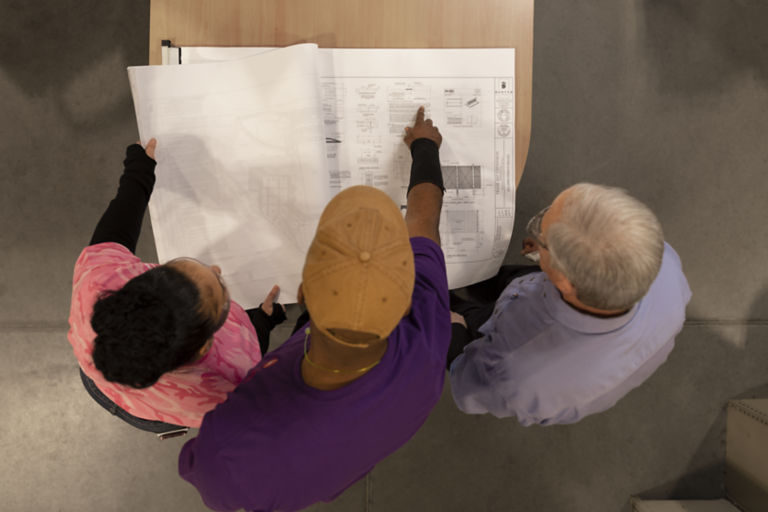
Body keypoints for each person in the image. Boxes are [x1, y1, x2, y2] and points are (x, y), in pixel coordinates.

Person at [178, 106, 449, 512]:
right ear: (408, 292)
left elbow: (198, 465)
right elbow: (425, 220)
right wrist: (425, 146)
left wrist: (425, 145)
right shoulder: (429, 344)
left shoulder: (228, 458)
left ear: (302, 294)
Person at [68, 138, 286, 429]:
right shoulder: (228, 377)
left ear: (138, 281)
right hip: (159, 411)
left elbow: (117, 229)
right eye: (219, 291)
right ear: (202, 348)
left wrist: (139, 173)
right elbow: (251, 355)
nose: (216, 268)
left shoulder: (97, 281)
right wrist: (263, 321)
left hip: (100, 378)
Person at [448, 183, 692, 426]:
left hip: (487, 333)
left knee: (455, 311)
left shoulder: (518, 375)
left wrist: (456, 330)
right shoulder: (662, 262)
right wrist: (545, 253)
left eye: (541, 237)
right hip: (543, 285)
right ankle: (477, 284)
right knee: (492, 279)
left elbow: (468, 387)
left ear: (563, 281)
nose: (535, 236)